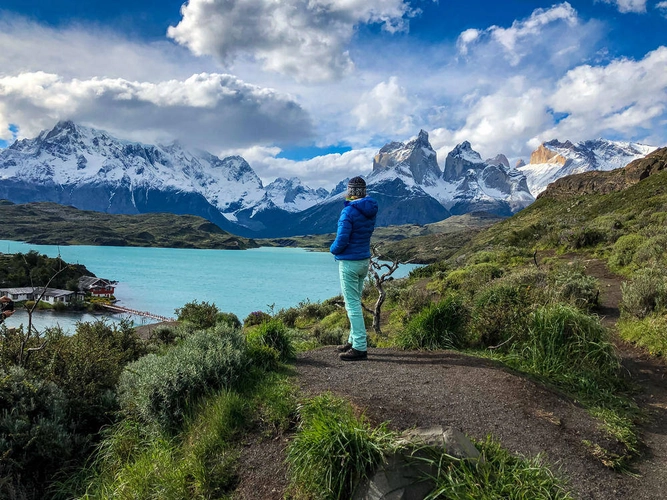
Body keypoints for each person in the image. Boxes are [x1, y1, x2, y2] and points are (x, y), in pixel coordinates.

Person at [330, 176, 378, 361]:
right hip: (363, 261)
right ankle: (352, 340)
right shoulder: (370, 210)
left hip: (349, 263)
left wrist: (332, 249)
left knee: (352, 305)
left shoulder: (348, 212)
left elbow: (342, 240)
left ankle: (359, 347)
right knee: (356, 301)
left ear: (350, 192)